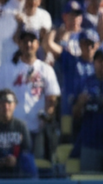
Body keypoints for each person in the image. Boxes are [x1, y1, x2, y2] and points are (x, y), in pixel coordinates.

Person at [0, 26, 59, 160]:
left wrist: (48, 115)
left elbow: (52, 98)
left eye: (32, 41)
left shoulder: (46, 69)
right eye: (25, 41)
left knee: (35, 167)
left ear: (38, 44)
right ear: (19, 43)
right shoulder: (6, 69)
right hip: (10, 131)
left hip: (36, 128)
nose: (28, 44)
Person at [0, 88, 35, 178]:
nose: (6, 106)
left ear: (14, 105)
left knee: (28, 159)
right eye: (2, 103)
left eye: (9, 103)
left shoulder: (21, 126)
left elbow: (27, 149)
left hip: (17, 171)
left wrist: (16, 160)